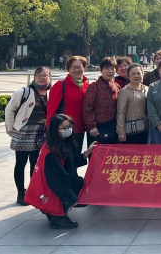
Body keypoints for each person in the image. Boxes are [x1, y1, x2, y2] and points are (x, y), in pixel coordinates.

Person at [25, 114, 97, 229]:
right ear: (55, 130)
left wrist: (87, 152)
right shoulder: (50, 151)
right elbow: (57, 179)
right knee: (67, 185)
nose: (68, 130)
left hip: (50, 182)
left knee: (77, 181)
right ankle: (57, 217)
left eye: (69, 127)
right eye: (64, 128)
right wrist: (70, 199)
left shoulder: (60, 143)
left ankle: (55, 212)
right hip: (47, 188)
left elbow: (70, 163)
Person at [5, 66, 51, 205]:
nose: (42, 78)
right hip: (24, 132)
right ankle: (21, 193)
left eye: (45, 75)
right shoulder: (24, 92)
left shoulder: (50, 93)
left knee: (36, 164)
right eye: (39, 75)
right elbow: (9, 110)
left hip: (41, 133)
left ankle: (33, 191)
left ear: (49, 78)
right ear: (34, 77)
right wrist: (11, 129)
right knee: (21, 163)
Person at [47, 55, 89, 154]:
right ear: (68, 69)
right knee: (64, 158)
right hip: (63, 130)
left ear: (84, 68)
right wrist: (50, 131)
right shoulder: (60, 85)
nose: (77, 70)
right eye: (73, 67)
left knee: (76, 158)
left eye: (79, 67)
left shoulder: (87, 85)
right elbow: (51, 110)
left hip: (79, 129)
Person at [83, 57, 120, 146]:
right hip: (97, 128)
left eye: (112, 68)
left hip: (113, 126)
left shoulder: (116, 86)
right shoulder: (94, 87)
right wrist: (92, 126)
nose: (110, 71)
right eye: (107, 68)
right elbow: (87, 108)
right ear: (101, 70)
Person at [116, 63, 149, 144]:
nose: (136, 76)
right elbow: (121, 112)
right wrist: (121, 131)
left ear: (142, 74)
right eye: (133, 74)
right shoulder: (124, 91)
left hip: (146, 129)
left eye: (138, 73)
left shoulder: (147, 89)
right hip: (131, 130)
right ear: (128, 76)